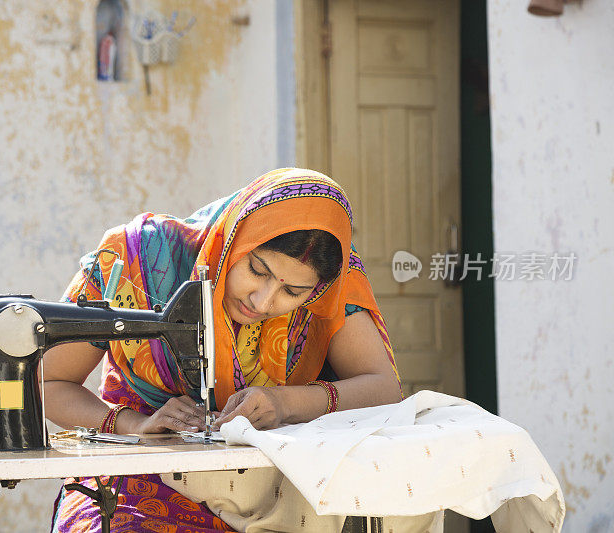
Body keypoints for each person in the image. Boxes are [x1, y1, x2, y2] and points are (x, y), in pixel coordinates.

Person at [47, 168, 401, 532]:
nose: (262, 302)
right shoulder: (136, 259)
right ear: (235, 238)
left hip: (266, 484)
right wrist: (136, 424)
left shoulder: (334, 285)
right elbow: (50, 383)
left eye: (292, 293)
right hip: (139, 467)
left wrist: (285, 403)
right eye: (256, 270)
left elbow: (383, 388)